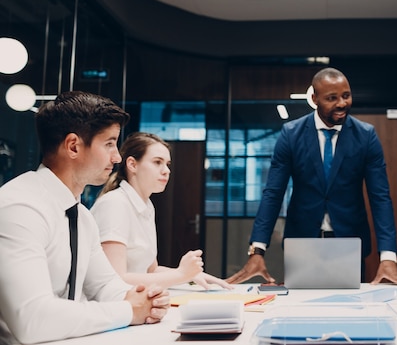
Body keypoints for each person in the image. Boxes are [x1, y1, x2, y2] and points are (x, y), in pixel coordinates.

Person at [0, 91, 169, 344]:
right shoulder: (20, 206)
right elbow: (32, 319)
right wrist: (129, 309)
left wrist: (145, 299)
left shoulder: (81, 216)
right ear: (73, 146)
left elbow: (105, 286)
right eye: (109, 143)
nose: (117, 157)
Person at [226, 67, 397, 286]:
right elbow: (273, 194)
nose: (341, 103)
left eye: (346, 95)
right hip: (302, 242)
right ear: (314, 99)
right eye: (332, 98)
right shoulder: (291, 135)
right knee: (302, 309)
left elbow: (380, 197)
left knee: (351, 311)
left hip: (349, 242)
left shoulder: (366, 136)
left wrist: (388, 256)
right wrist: (257, 250)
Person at [91, 132, 231, 290]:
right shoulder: (115, 204)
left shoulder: (147, 206)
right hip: (111, 307)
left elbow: (151, 270)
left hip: (135, 300)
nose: (166, 171)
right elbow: (117, 279)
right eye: (157, 162)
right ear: (132, 165)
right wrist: (181, 275)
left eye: (167, 164)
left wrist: (190, 276)